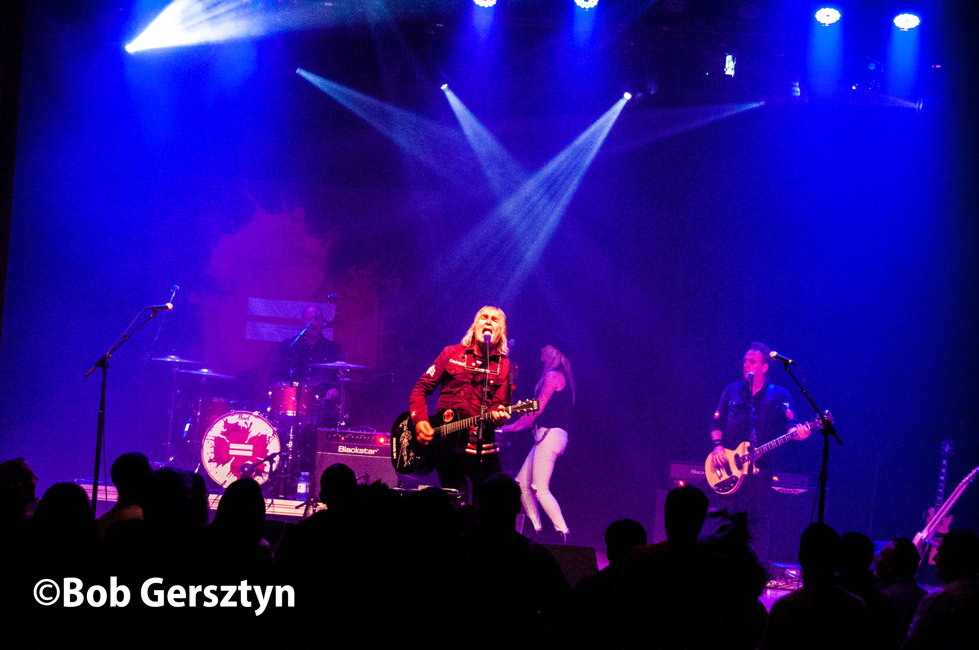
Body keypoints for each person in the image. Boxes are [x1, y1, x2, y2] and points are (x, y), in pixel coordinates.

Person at [708, 341, 810, 562]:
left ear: (765, 367)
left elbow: (790, 426)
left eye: (751, 361)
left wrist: (799, 432)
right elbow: (716, 425)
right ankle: (720, 565)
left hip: (760, 468)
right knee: (725, 517)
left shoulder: (779, 395)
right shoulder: (732, 390)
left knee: (757, 518)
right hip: (728, 466)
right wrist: (717, 447)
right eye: (744, 360)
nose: (745, 364)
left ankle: (757, 569)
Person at [409, 306, 512, 504]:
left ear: (501, 332)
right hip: (448, 448)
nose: (489, 322)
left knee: (494, 504)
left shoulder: (506, 366)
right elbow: (420, 389)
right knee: (458, 503)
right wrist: (420, 421)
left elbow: (499, 405)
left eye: (495, 319)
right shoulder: (451, 354)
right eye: (484, 317)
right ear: (475, 326)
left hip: (484, 450)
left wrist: (498, 414)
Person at [500, 344, 574, 538]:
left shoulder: (554, 376)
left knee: (540, 488)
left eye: (545, 348)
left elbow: (538, 409)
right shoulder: (552, 376)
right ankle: (536, 530)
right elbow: (535, 414)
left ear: (554, 352)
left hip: (551, 435)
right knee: (522, 484)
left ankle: (564, 533)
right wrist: (511, 426)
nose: (541, 351)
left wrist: (513, 425)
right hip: (546, 435)